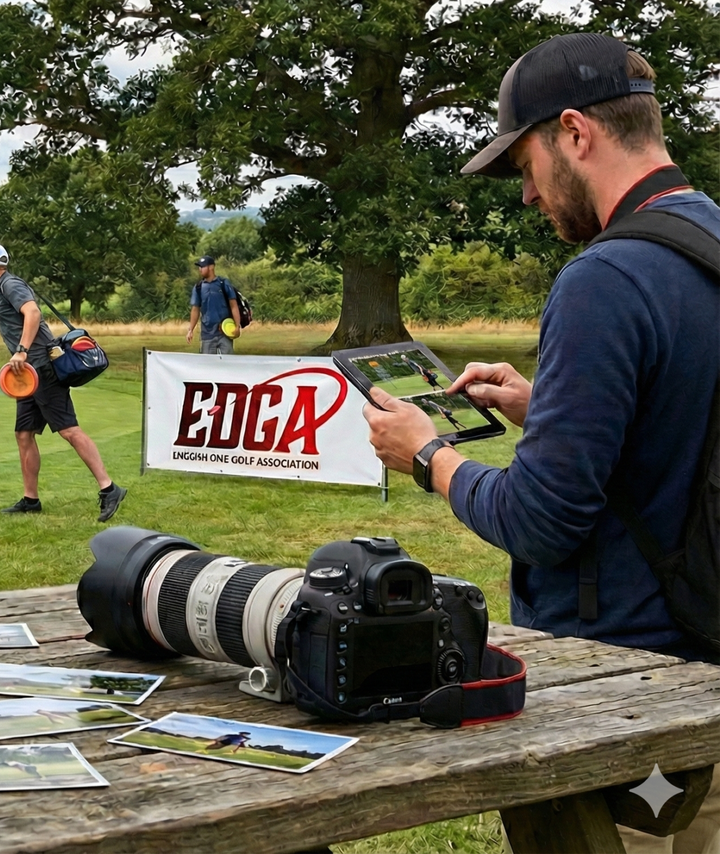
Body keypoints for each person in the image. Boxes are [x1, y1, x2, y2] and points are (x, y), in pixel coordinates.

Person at [362, 34, 720, 850]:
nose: (526, 193)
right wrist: (547, 407)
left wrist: (428, 455)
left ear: (575, 133)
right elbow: (688, 423)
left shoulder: (606, 279)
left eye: (525, 163)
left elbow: (542, 521)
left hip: (624, 710)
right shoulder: (709, 242)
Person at [0, 242, 126, 521]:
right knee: (24, 434)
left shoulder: (11, 286)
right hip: (26, 375)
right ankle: (30, 499)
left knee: (69, 430)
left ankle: (109, 489)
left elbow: (32, 313)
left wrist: (21, 349)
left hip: (42, 367)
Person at [186, 255, 240, 355]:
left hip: (224, 332)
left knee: (228, 364)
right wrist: (190, 330)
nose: (200, 269)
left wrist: (237, 326)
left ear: (211, 267)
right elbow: (195, 309)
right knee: (207, 366)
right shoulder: (198, 287)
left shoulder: (224, 283)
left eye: (202, 266)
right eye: (199, 267)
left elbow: (233, 305)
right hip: (207, 334)